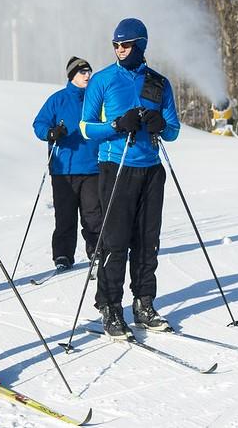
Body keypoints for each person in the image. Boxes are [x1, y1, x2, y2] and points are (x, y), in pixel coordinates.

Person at [80, 18, 181, 340]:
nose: (119, 50)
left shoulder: (158, 82)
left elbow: (174, 130)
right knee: (115, 241)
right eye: (115, 45)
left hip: (151, 168)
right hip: (115, 166)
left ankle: (144, 303)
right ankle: (110, 306)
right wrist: (116, 125)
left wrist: (158, 124)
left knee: (147, 241)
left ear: (141, 45)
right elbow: (85, 128)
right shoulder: (103, 80)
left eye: (125, 45)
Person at [32, 56, 102, 271]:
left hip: (92, 167)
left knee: (93, 213)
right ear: (72, 76)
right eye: (82, 72)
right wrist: (51, 133)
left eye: (89, 71)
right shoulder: (58, 100)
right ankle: (63, 255)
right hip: (64, 168)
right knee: (65, 214)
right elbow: (39, 124)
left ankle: (97, 250)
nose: (87, 75)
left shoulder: (96, 99)